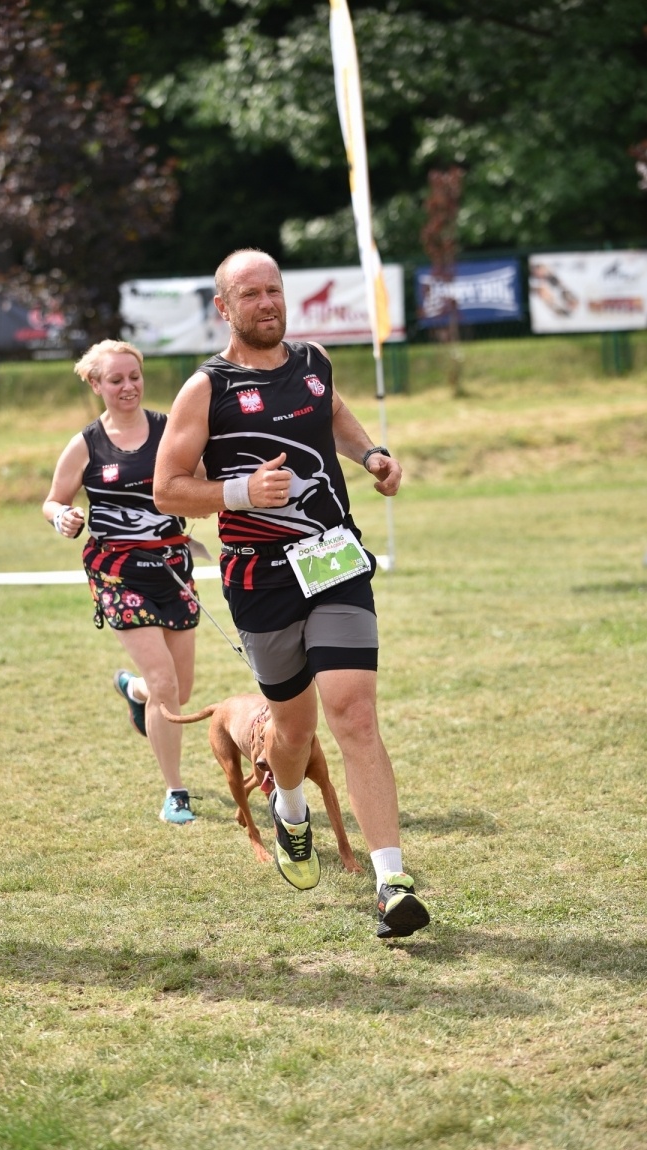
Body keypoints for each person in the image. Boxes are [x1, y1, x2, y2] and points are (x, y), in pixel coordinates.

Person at [153, 249, 430, 938]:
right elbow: (166, 488)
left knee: (353, 712)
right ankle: (290, 810)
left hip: (333, 557)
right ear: (223, 308)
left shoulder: (312, 362)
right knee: (293, 731)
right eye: (249, 294)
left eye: (273, 291)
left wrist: (368, 455)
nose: (266, 304)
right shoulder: (204, 389)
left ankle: (391, 881)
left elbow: (330, 413)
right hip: (258, 577)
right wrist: (243, 491)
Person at [43, 339, 200, 825]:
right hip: (115, 572)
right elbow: (53, 500)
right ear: (96, 384)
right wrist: (63, 518)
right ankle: (175, 791)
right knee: (165, 682)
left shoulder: (169, 430)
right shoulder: (86, 443)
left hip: (172, 567)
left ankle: (133, 692)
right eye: (116, 380)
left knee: (180, 692)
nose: (128, 386)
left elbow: (202, 479)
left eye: (134, 376)